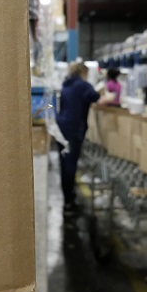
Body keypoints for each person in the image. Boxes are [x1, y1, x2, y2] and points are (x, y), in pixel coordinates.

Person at [56, 62, 102, 216]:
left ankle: (68, 197)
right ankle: (68, 203)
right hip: (73, 129)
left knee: (64, 164)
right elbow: (96, 97)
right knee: (70, 165)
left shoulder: (66, 84)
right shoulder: (83, 85)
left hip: (61, 127)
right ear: (83, 71)